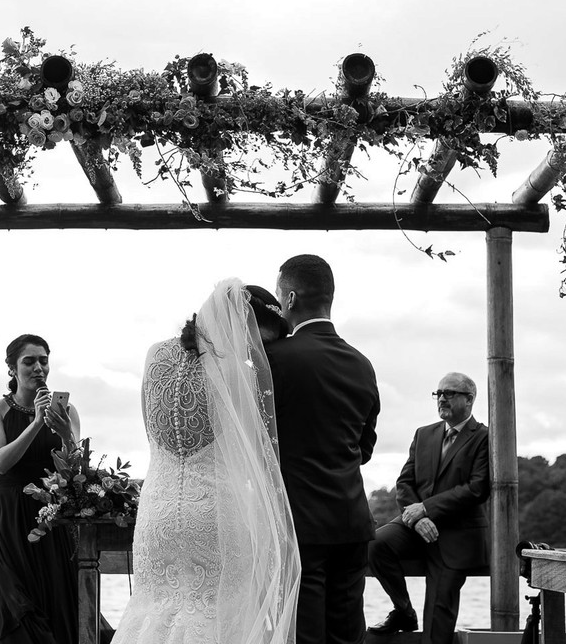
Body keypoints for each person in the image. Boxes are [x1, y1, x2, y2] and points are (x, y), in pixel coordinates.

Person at [114, 279, 300, 644]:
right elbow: (255, 451)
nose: (256, 350)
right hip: (216, 514)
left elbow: (151, 434)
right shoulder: (236, 371)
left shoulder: (155, 354)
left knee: (154, 609)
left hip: (157, 513)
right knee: (216, 615)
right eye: (258, 340)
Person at [266, 254, 379, 644]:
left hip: (301, 525)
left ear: (291, 298)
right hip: (351, 522)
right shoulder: (362, 364)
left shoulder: (275, 359)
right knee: (348, 636)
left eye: (280, 298)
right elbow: (364, 448)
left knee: (306, 635)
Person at [367, 372, 491, 644]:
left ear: (469, 399)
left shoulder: (485, 437)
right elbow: (405, 482)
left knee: (438, 619)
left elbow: (476, 488)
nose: (442, 399)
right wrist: (416, 518)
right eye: (438, 393)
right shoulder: (424, 434)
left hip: (457, 535)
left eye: (450, 393)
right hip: (414, 526)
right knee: (374, 545)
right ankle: (403, 612)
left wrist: (426, 509)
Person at [0, 333, 81, 644]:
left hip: (51, 519)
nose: (39, 367)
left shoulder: (68, 412)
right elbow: (0, 462)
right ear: (12, 368)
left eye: (44, 360)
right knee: (18, 603)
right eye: (29, 361)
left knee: (57, 603)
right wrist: (37, 422)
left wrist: (66, 434)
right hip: (9, 517)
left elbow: (76, 468)